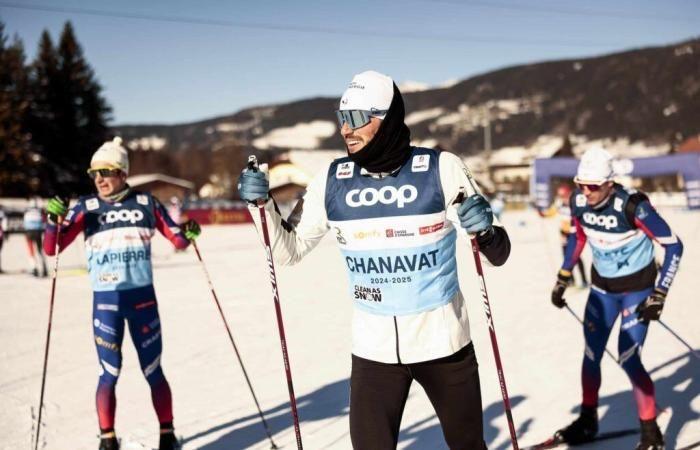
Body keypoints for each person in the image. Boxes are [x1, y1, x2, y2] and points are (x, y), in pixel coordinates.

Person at [238, 70, 510, 449]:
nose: (345, 129)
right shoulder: (332, 179)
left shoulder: (441, 168)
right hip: (374, 350)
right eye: (341, 118)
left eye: (356, 119)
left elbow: (498, 252)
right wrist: (261, 205)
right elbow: (288, 250)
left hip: (444, 344)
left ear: (388, 118)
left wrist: (486, 230)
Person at [43, 137, 201, 450]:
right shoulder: (86, 208)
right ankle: (107, 439)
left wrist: (190, 233)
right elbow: (52, 248)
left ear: (123, 173)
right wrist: (52, 221)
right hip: (106, 305)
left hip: (143, 303)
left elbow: (178, 240)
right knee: (109, 373)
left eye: (107, 171)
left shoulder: (146, 204)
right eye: (94, 173)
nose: (99, 179)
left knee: (153, 370)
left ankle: (167, 435)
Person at [550, 147, 683, 450]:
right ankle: (587, 420)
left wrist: (660, 293)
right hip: (601, 291)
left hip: (638, 290)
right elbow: (579, 236)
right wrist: (563, 276)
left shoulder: (633, 206)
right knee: (591, 353)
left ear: (610, 182)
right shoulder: (578, 200)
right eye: (581, 183)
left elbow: (674, 246)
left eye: (593, 186)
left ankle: (651, 433)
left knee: (628, 356)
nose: (586, 191)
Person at [541, 184, 588, 287]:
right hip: (563, 233)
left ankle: (584, 280)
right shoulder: (559, 203)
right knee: (566, 257)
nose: (563, 198)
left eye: (564, 196)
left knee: (576, 257)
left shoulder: (575, 203)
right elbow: (551, 212)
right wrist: (543, 214)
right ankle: (571, 280)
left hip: (574, 233)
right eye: (561, 196)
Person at [24, 198, 48, 277]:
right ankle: (44, 268)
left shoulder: (27, 210)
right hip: (38, 231)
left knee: (31, 251)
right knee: (40, 250)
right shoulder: (40, 210)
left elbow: (24, 222)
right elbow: (44, 221)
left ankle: (34, 269)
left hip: (29, 231)